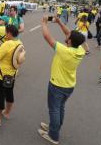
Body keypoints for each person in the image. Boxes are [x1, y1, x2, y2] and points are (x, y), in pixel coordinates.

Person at [39, 15, 86, 144]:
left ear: (69, 41)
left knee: (54, 109)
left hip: (57, 85)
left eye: (69, 36)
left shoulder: (66, 51)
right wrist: (59, 22)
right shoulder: (79, 49)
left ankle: (53, 136)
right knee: (60, 108)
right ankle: (55, 128)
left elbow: (47, 37)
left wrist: (44, 23)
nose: (67, 35)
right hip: (69, 85)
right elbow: (69, 33)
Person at [0, 25, 24, 126]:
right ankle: (7, 113)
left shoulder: (7, 44)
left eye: (6, 33)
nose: (5, 35)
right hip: (11, 75)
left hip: (0, 75)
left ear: (9, 33)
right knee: (9, 93)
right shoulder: (19, 43)